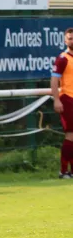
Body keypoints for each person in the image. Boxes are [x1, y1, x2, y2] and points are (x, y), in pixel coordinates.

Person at [51, 27, 73, 179]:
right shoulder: (63, 59)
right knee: (70, 135)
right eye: (70, 38)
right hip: (68, 99)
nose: (72, 40)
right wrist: (57, 99)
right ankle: (63, 171)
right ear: (65, 40)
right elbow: (54, 80)